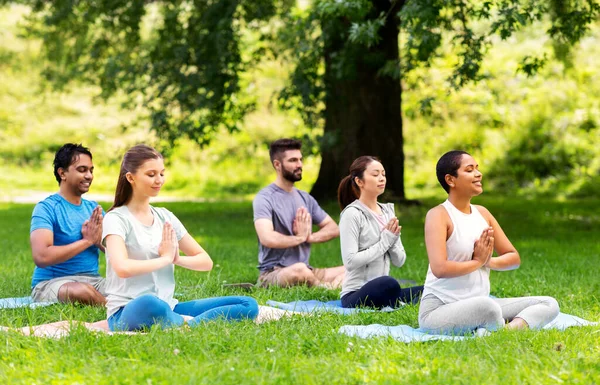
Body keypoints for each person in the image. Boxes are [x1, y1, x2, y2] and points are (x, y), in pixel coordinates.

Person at [102, 144, 259, 331]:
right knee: (151, 303)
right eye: (151, 174)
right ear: (130, 178)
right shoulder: (116, 219)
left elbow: (205, 261)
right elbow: (122, 268)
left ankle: (184, 325)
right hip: (127, 311)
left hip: (169, 306)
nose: (159, 180)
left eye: (162, 173)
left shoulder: (165, 217)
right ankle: (181, 322)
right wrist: (165, 259)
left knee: (247, 304)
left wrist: (176, 259)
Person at [418, 150, 559, 334]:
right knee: (488, 307)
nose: (478, 174)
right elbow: (440, 268)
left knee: (549, 303)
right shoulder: (438, 215)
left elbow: (513, 258)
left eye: (477, 168)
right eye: (469, 170)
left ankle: (505, 331)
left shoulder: (482, 213)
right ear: (450, 180)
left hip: (479, 302)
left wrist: (487, 261)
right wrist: (476, 262)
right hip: (440, 308)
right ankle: (496, 328)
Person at [253, 138, 345, 288]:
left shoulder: (305, 198)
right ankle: (327, 288)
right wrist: (298, 238)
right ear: (277, 164)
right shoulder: (264, 198)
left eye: (300, 159)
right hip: (274, 274)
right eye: (293, 160)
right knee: (299, 270)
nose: (299, 165)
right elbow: (266, 237)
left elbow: (333, 228)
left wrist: (309, 237)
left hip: (308, 270)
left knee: (356, 268)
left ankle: (327, 284)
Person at [337, 156, 424, 308]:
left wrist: (393, 240)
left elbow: (400, 261)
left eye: (383, 174)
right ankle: (396, 302)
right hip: (356, 294)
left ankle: (395, 301)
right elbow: (350, 262)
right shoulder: (352, 214)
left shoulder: (388, 212)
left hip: (384, 290)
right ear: (359, 181)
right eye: (375, 174)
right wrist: (385, 242)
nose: (382, 178)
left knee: (430, 290)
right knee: (388, 283)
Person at [29, 143, 106, 305]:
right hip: (53, 284)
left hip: (94, 281)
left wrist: (99, 242)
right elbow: (41, 256)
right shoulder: (46, 208)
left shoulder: (93, 209)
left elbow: (119, 252)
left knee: (136, 285)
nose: (89, 176)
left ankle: (108, 302)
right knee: (81, 291)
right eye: (82, 170)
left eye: (91, 170)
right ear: (62, 173)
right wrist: (87, 241)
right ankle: (113, 310)